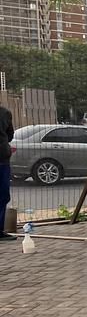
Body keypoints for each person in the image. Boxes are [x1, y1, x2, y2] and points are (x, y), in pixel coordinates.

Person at [0, 103, 15, 241]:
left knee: (3, 196)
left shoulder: (5, 113)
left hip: (2, 160)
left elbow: (10, 135)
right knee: (2, 195)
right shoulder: (4, 113)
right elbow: (10, 135)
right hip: (2, 159)